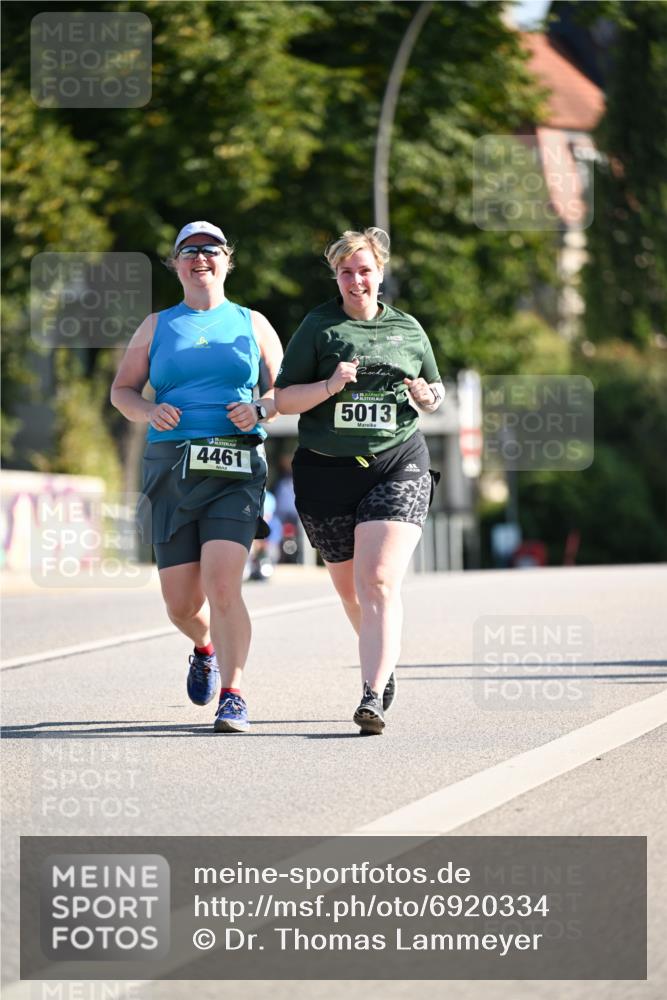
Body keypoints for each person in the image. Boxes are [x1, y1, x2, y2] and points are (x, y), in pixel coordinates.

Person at [111, 221, 283, 733]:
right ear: (176, 263)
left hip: (236, 466)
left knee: (223, 584)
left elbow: (284, 390)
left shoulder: (253, 324)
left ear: (228, 260)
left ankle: (233, 693)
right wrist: (148, 410)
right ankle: (204, 648)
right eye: (189, 251)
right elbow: (123, 391)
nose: (200, 258)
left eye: (211, 250)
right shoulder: (156, 326)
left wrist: (260, 409)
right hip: (171, 468)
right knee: (182, 603)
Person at [274, 227, 444, 735]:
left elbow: (434, 389)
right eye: (346, 272)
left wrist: (427, 396)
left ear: (380, 273)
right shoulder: (318, 328)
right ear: (336, 276)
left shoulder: (409, 329)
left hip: (397, 462)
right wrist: (329, 385)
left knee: (378, 581)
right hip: (326, 472)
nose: (356, 280)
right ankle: (382, 659)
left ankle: (372, 694)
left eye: (365, 270)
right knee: (352, 593)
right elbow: (283, 400)